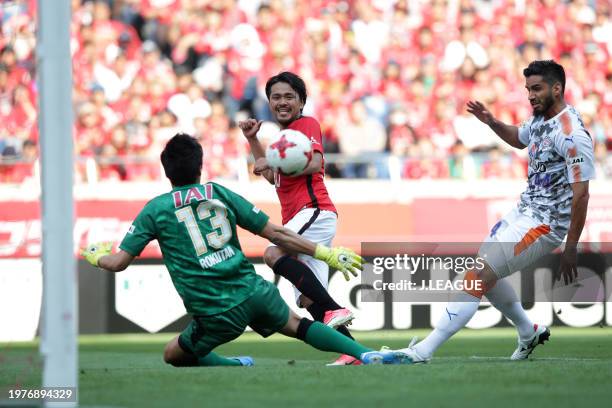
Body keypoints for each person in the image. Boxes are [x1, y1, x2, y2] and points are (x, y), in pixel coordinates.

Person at [81, 133, 408, 367]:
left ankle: (232, 364)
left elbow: (118, 262)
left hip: (215, 313)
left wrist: (98, 256)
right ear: (200, 167)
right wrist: (324, 253)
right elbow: (277, 233)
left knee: (173, 354)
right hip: (255, 292)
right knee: (299, 327)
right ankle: (365, 353)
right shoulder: (219, 192)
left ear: (167, 172)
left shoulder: (155, 209)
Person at [399, 60, 595, 362]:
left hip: (545, 224)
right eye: (528, 88)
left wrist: (571, 247)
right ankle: (528, 331)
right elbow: (519, 139)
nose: (530, 95)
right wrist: (491, 122)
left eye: (537, 88)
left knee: (477, 276)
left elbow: (581, 195)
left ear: (557, 88)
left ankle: (423, 350)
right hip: (524, 211)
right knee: (483, 271)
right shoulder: (542, 120)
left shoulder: (572, 135)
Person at [238, 72, 360, 366]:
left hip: (314, 210)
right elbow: (269, 176)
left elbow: (316, 162)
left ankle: (333, 308)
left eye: (289, 96)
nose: (282, 102)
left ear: (302, 101)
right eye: (276, 97)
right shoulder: (282, 140)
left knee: (273, 251)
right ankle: (357, 353)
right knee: (307, 299)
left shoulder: (306, 125)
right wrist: (254, 141)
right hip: (300, 216)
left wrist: (276, 160)